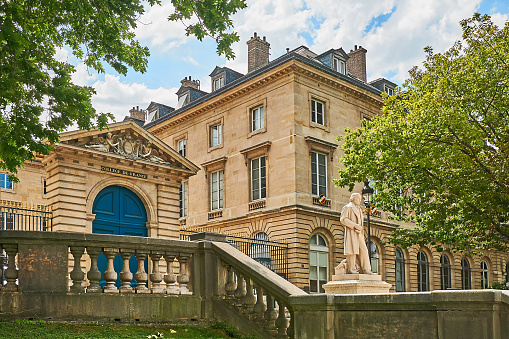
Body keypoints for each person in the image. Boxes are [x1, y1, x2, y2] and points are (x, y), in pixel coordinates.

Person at [340, 192, 373, 274]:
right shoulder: (347, 207)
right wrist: (354, 225)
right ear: (353, 199)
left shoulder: (359, 209)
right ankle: (352, 269)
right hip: (352, 232)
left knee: (364, 250)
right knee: (352, 251)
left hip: (359, 233)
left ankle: (367, 270)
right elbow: (343, 219)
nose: (360, 201)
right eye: (358, 199)